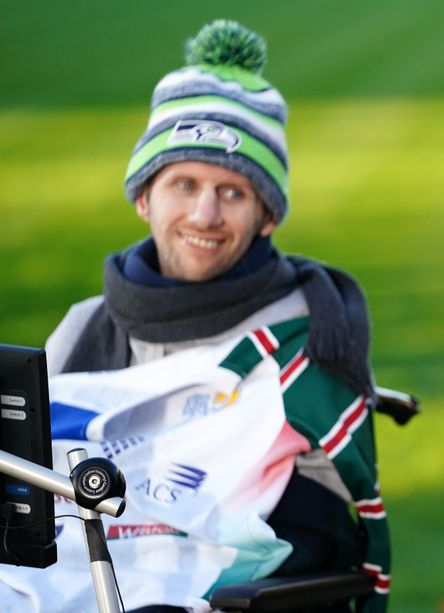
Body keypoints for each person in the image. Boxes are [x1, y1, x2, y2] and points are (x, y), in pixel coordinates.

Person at [2, 20, 389, 613]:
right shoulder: (87, 325)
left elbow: (324, 538)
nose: (205, 214)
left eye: (233, 192)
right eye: (184, 183)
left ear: (267, 216)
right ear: (143, 197)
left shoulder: (310, 332)